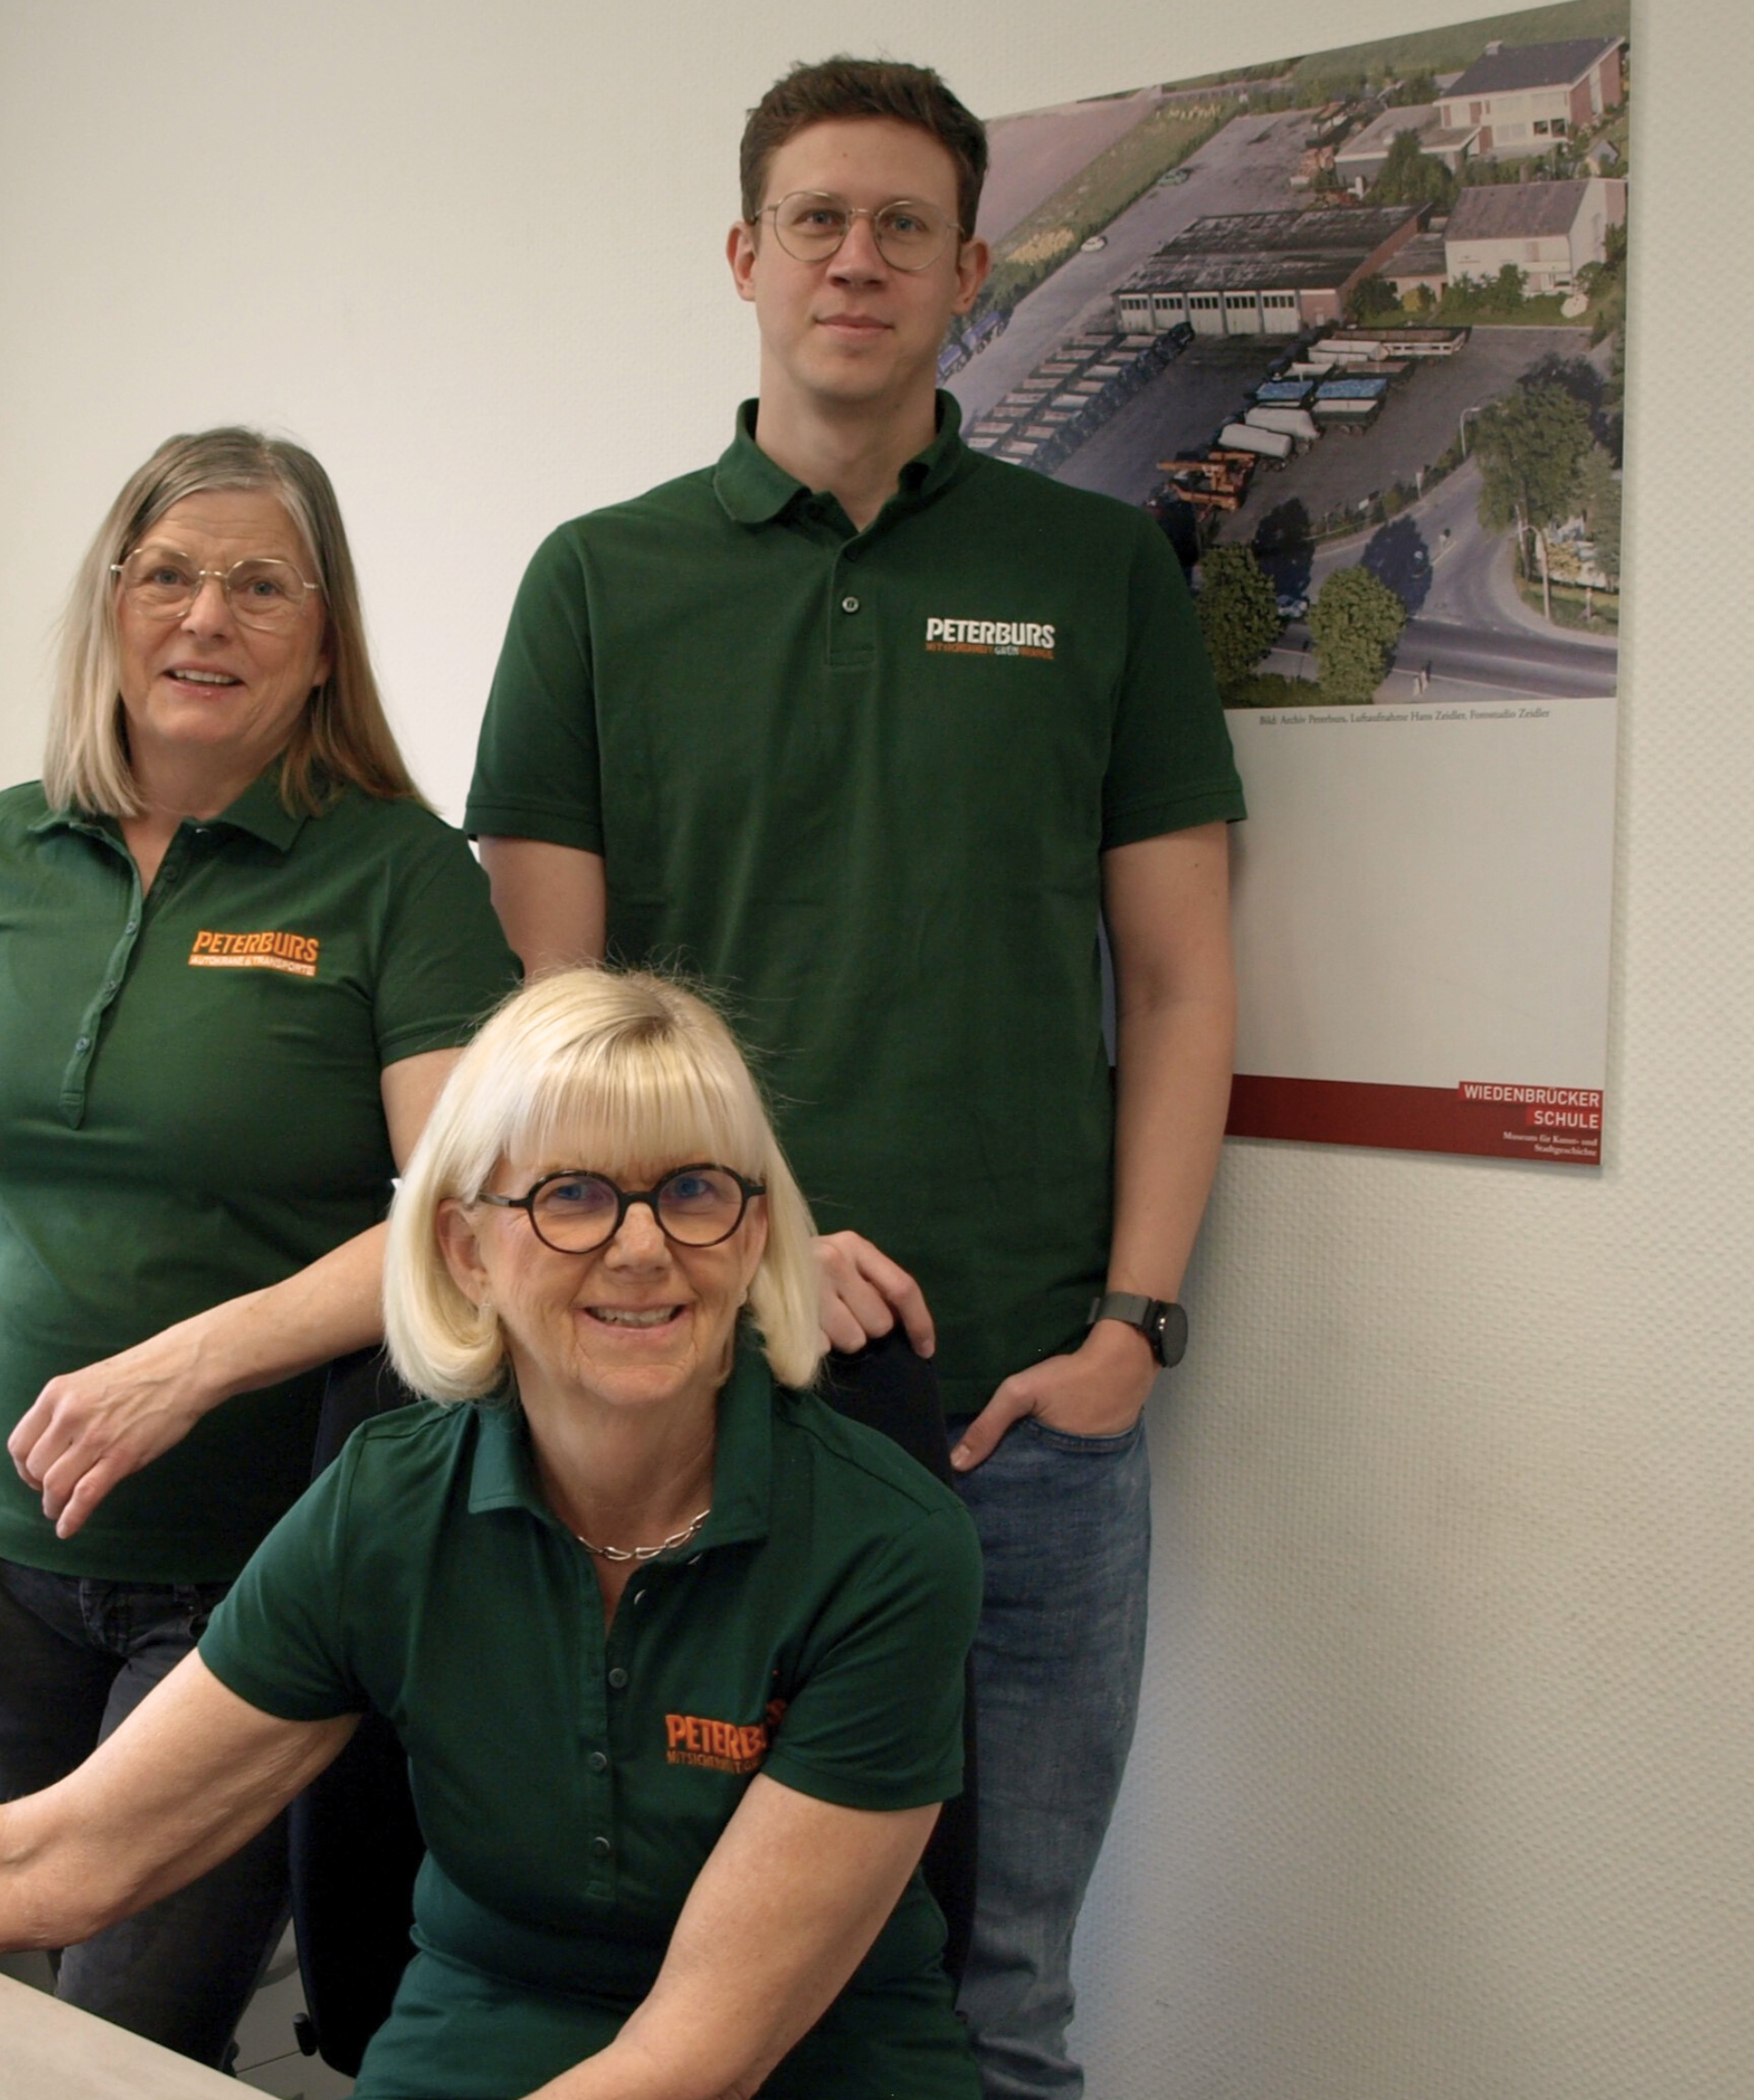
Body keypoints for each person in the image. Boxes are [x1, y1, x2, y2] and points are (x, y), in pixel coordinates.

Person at [0, 969, 984, 2100]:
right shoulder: (389, 1506)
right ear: (465, 1247)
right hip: (489, 2028)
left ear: (753, 1232)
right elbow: (62, 1852)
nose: (640, 1249)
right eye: (569, 1196)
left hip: (806, 2058)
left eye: (694, 1190)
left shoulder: (882, 1549)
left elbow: (699, 2055)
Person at [464, 59, 1244, 2100]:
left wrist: (1131, 1329)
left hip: (1019, 1412)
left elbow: (1178, 985)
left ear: (969, 272)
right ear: (744, 255)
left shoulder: (1098, 574)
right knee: (688, 1997)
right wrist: (751, 1254)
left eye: (905, 225)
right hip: (691, 1396)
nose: (856, 259)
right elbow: (551, 1028)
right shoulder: (597, 582)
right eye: (815, 218)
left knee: (1000, 2005)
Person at [0, 427, 518, 2066]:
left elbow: (460, 1222)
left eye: (258, 585)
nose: (204, 616)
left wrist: (191, 1364)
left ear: (322, 637)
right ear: (111, 605)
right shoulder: (2, 847)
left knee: (125, 2039)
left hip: (247, 1572)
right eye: (165, 574)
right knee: (48, 2014)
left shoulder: (398, 873)